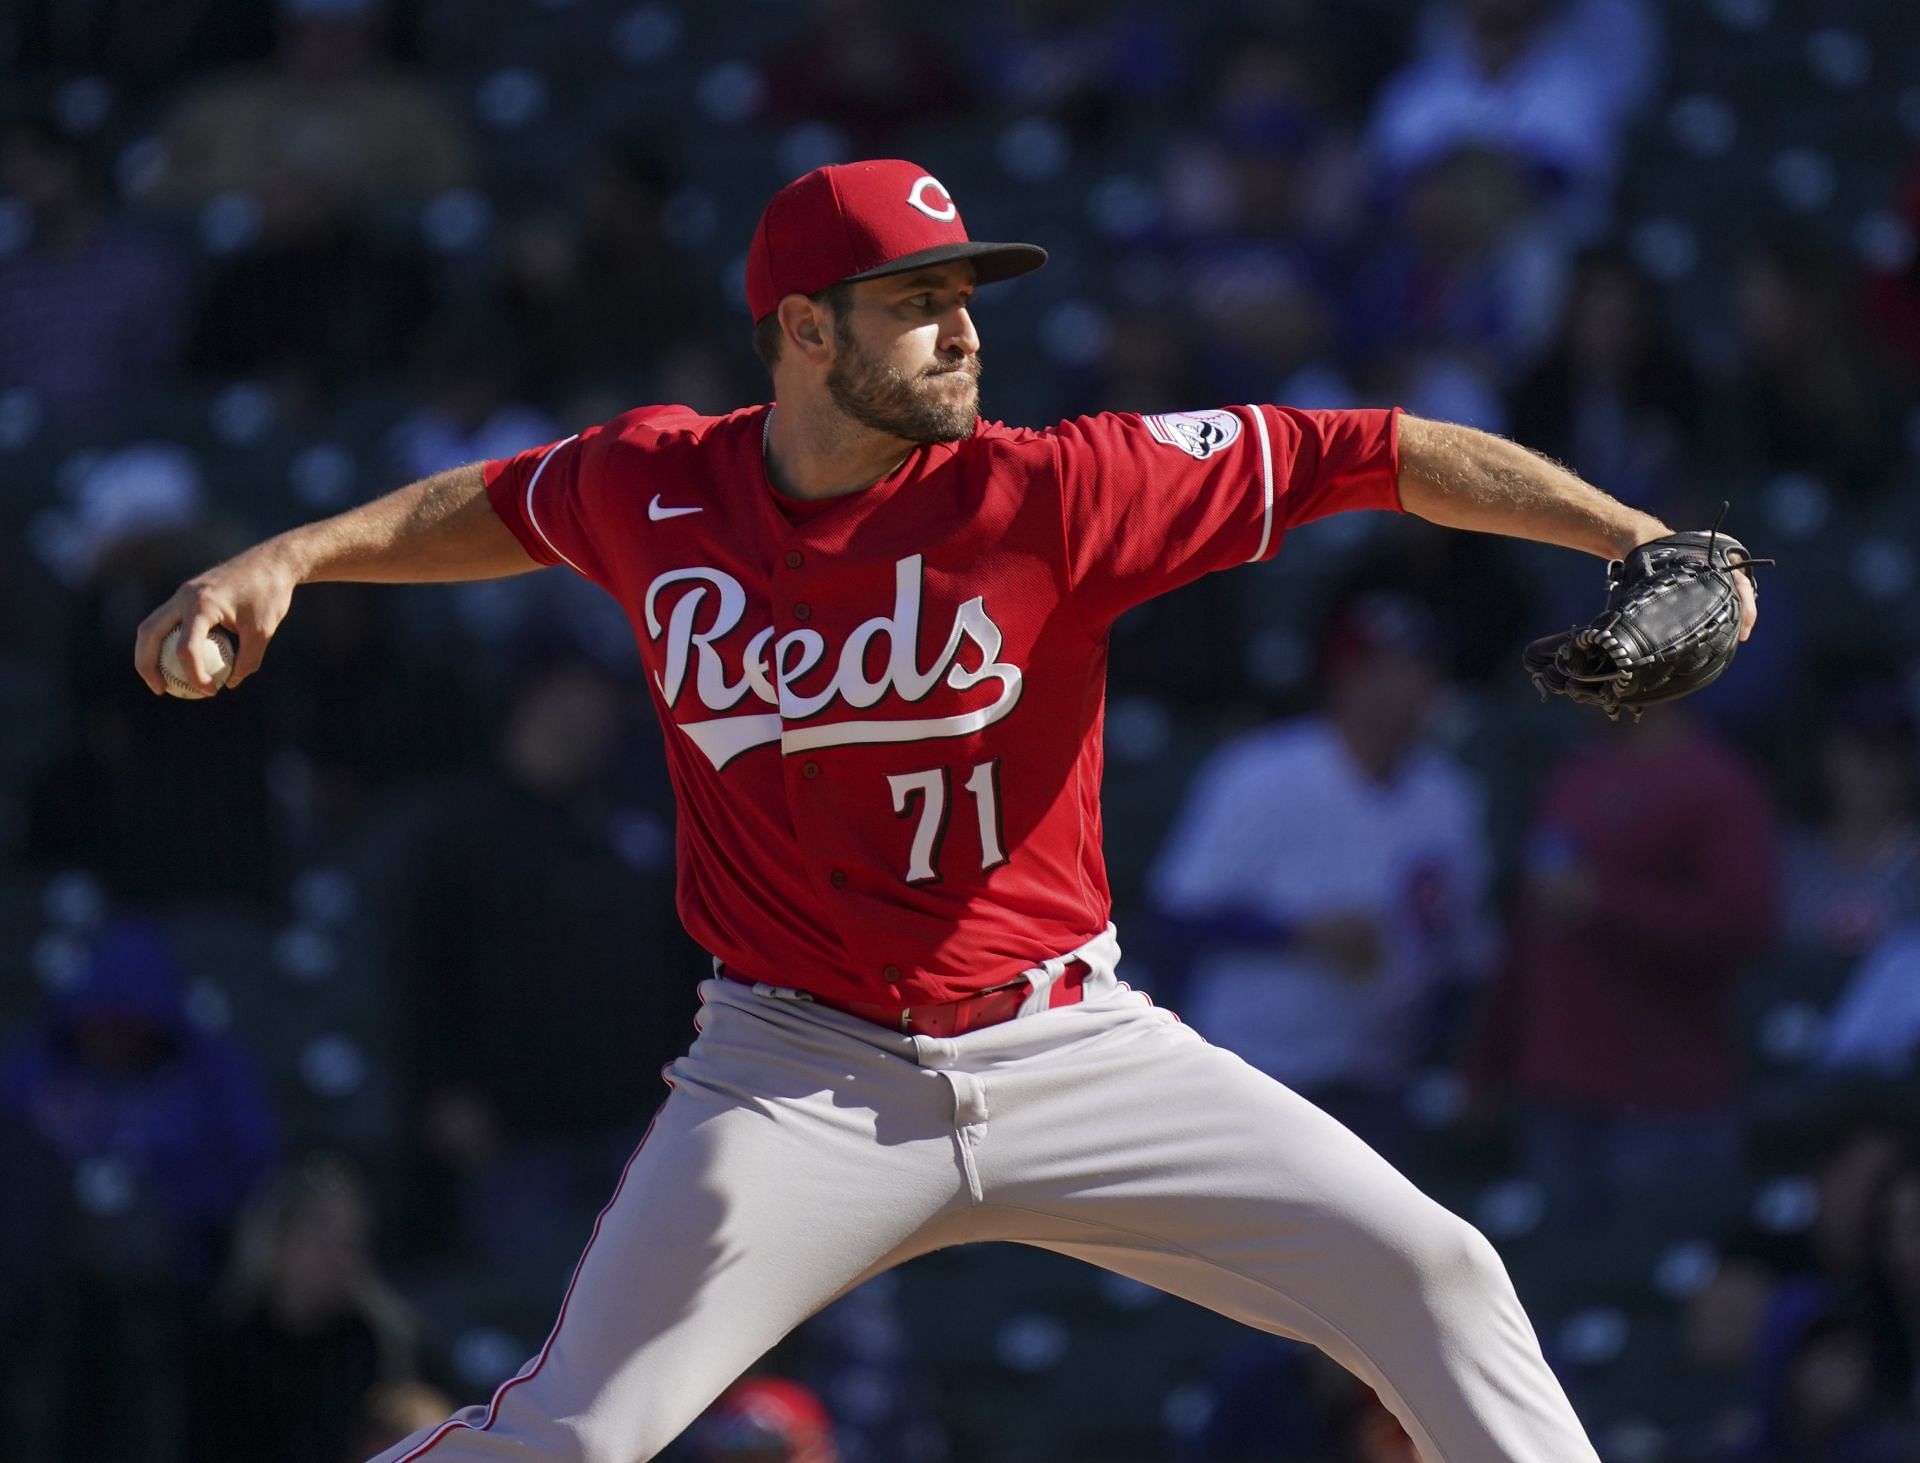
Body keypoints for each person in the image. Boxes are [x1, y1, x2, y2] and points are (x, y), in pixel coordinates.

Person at [136, 158, 1759, 1463]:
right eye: (916, 302)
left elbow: (1376, 449)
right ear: (804, 333)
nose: (964, 330)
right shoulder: (660, 482)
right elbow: (485, 508)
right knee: (578, 1431)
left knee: (1435, 1271)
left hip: (1071, 1043)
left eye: (967, 297)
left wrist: (1643, 538)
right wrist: (283, 555)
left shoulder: (1057, 489)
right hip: (793, 1072)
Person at [1148, 591, 1492, 1155]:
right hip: (1252, 1074)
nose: (1413, 688)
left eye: (1423, 671)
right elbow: (1177, 915)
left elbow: (1460, 948)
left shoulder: (1447, 795)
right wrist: (1297, 933)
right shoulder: (1261, 772)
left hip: (1377, 1080)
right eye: (1391, 670)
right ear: (1347, 678)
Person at [185, 1153, 422, 1463]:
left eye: (352, 1234)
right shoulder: (221, 1347)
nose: (339, 1248)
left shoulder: (389, 1343)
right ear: (275, 1237)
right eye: (321, 1228)